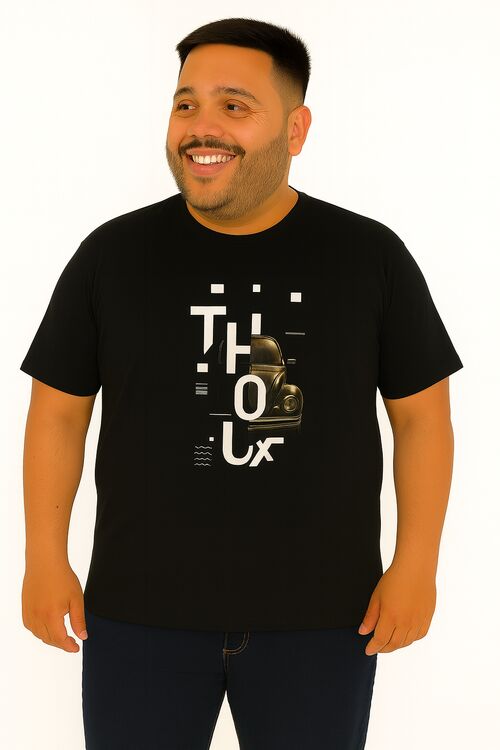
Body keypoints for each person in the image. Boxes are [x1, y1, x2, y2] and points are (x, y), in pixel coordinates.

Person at [19, 17, 464, 750]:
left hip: (324, 618)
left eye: (234, 105)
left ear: (296, 129)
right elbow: (58, 413)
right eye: (185, 103)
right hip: (138, 614)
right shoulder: (112, 255)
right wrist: (43, 558)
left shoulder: (369, 256)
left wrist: (417, 566)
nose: (202, 127)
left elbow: (421, 418)